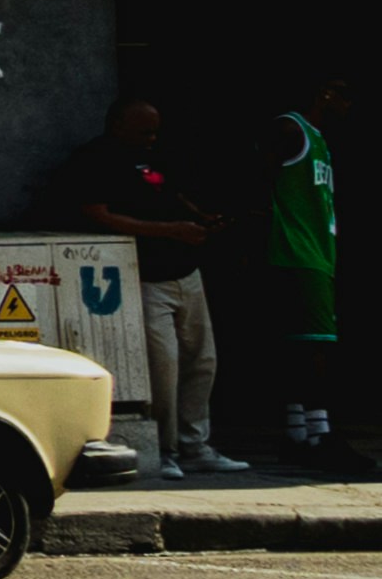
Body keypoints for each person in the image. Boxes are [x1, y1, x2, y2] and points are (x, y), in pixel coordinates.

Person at [57, 98, 234, 479]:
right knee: (163, 366)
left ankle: (195, 443)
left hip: (185, 270)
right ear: (117, 124)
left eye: (154, 130)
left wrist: (199, 218)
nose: (151, 138)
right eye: (143, 130)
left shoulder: (155, 156)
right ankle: (166, 447)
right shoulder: (96, 158)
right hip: (145, 274)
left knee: (202, 360)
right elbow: (98, 214)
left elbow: (171, 194)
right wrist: (170, 230)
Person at [267, 79, 344, 464]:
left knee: (300, 346)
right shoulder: (289, 128)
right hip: (297, 251)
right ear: (325, 93)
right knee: (314, 346)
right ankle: (321, 435)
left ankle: (298, 434)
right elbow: (256, 181)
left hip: (314, 250)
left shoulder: (317, 137)